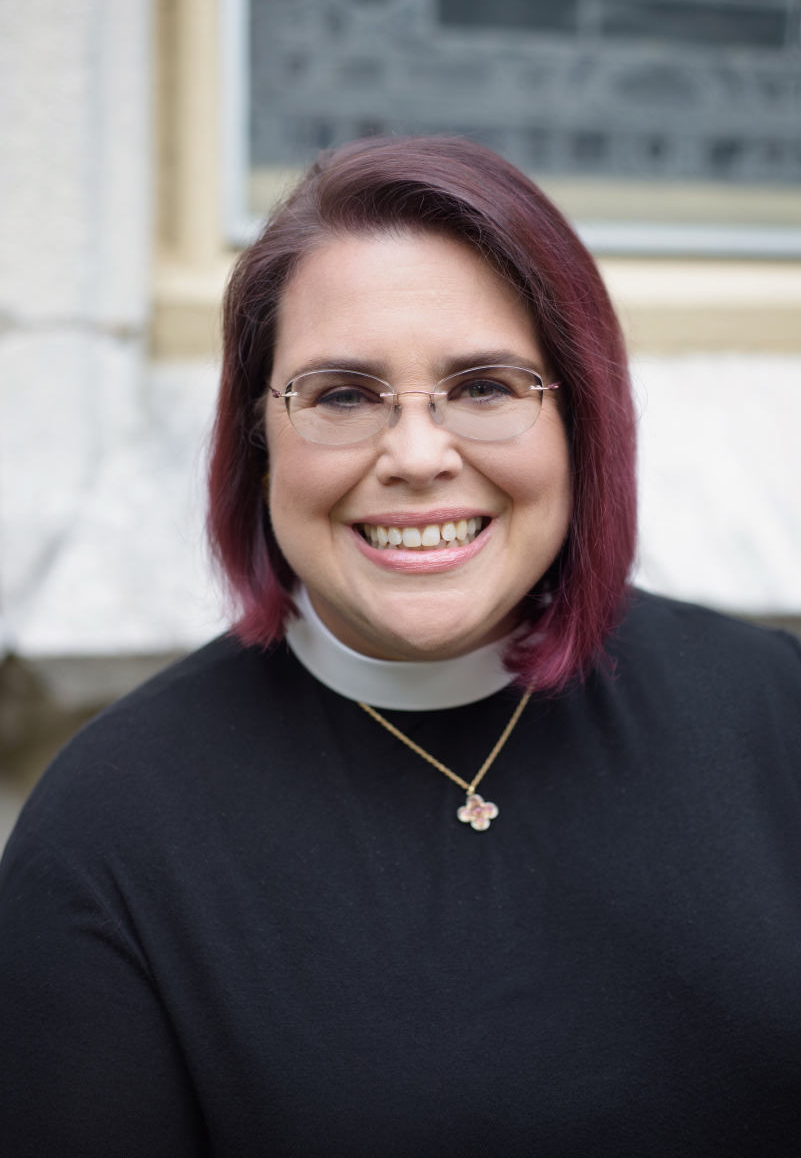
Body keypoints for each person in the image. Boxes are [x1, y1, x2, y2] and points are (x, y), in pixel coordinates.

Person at [1, 137, 800, 1157]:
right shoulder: (109, 836)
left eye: (486, 386)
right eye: (342, 395)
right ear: (258, 440)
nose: (418, 456)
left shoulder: (773, 715)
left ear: (580, 423)